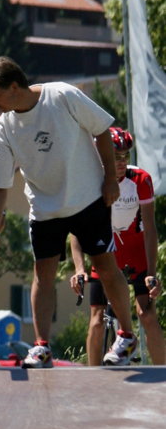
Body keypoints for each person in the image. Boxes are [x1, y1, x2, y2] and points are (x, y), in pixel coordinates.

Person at [0, 56, 135, 369]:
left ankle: (127, 336)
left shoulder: (62, 95)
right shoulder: (5, 127)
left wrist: (108, 179)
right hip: (45, 208)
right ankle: (42, 347)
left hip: (88, 197)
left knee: (105, 266)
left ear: (14, 87)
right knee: (43, 275)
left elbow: (102, 129)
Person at [69, 127, 164, 365]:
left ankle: (163, 373)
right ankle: (94, 378)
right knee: (97, 320)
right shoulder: (90, 182)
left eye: (125, 156)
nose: (121, 162)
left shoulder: (141, 180)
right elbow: (77, 231)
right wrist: (79, 269)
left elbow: (150, 229)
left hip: (135, 250)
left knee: (147, 315)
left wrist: (152, 273)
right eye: (115, 157)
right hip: (105, 252)